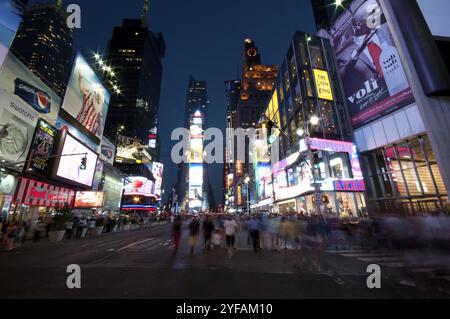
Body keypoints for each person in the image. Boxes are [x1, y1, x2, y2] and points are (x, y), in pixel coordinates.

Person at [76, 71, 105, 136]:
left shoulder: (89, 97)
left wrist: (80, 79)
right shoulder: (89, 98)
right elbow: (82, 88)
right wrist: (80, 79)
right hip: (84, 129)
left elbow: (82, 87)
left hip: (81, 126)